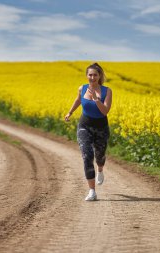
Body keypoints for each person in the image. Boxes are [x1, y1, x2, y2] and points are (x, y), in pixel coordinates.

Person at [64, 62, 112, 201]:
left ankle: (100, 169)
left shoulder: (107, 91)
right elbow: (78, 100)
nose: (92, 77)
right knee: (87, 156)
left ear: (99, 76)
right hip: (84, 125)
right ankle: (92, 191)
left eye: (95, 75)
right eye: (90, 75)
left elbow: (105, 111)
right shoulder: (82, 88)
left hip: (101, 127)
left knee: (100, 156)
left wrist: (97, 100)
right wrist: (70, 112)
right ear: (86, 76)